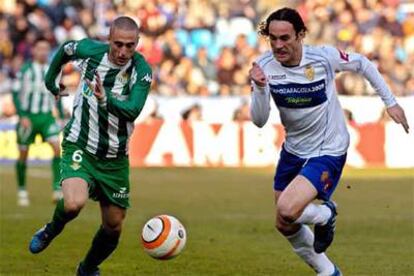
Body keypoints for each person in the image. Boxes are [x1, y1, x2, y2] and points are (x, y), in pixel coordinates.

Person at [249, 7, 409, 276]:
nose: (278, 45)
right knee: (284, 222)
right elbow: (260, 120)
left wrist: (390, 103)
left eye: (285, 38)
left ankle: (325, 215)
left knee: (287, 209)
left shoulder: (323, 58)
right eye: (273, 39)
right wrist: (261, 88)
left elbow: (363, 64)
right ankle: (329, 271)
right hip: (294, 149)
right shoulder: (264, 67)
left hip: (328, 148)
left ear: (300, 35)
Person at [28, 16, 152, 276]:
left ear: (137, 43)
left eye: (130, 46)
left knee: (114, 226)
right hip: (80, 145)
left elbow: (133, 110)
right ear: (108, 39)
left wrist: (106, 101)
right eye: (118, 44)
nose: (122, 52)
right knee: (74, 203)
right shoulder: (89, 50)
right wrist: (52, 82)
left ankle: (87, 268)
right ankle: (51, 229)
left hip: (115, 159)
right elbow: (64, 51)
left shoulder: (142, 70)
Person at [12, 37, 64, 206]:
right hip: (29, 117)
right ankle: (22, 190)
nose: (43, 51)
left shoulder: (53, 70)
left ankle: (57, 189)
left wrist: (62, 116)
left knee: (57, 148)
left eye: (46, 48)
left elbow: (58, 93)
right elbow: (15, 94)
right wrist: (22, 116)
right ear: (33, 50)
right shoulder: (26, 70)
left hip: (47, 116)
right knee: (23, 154)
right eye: (40, 48)